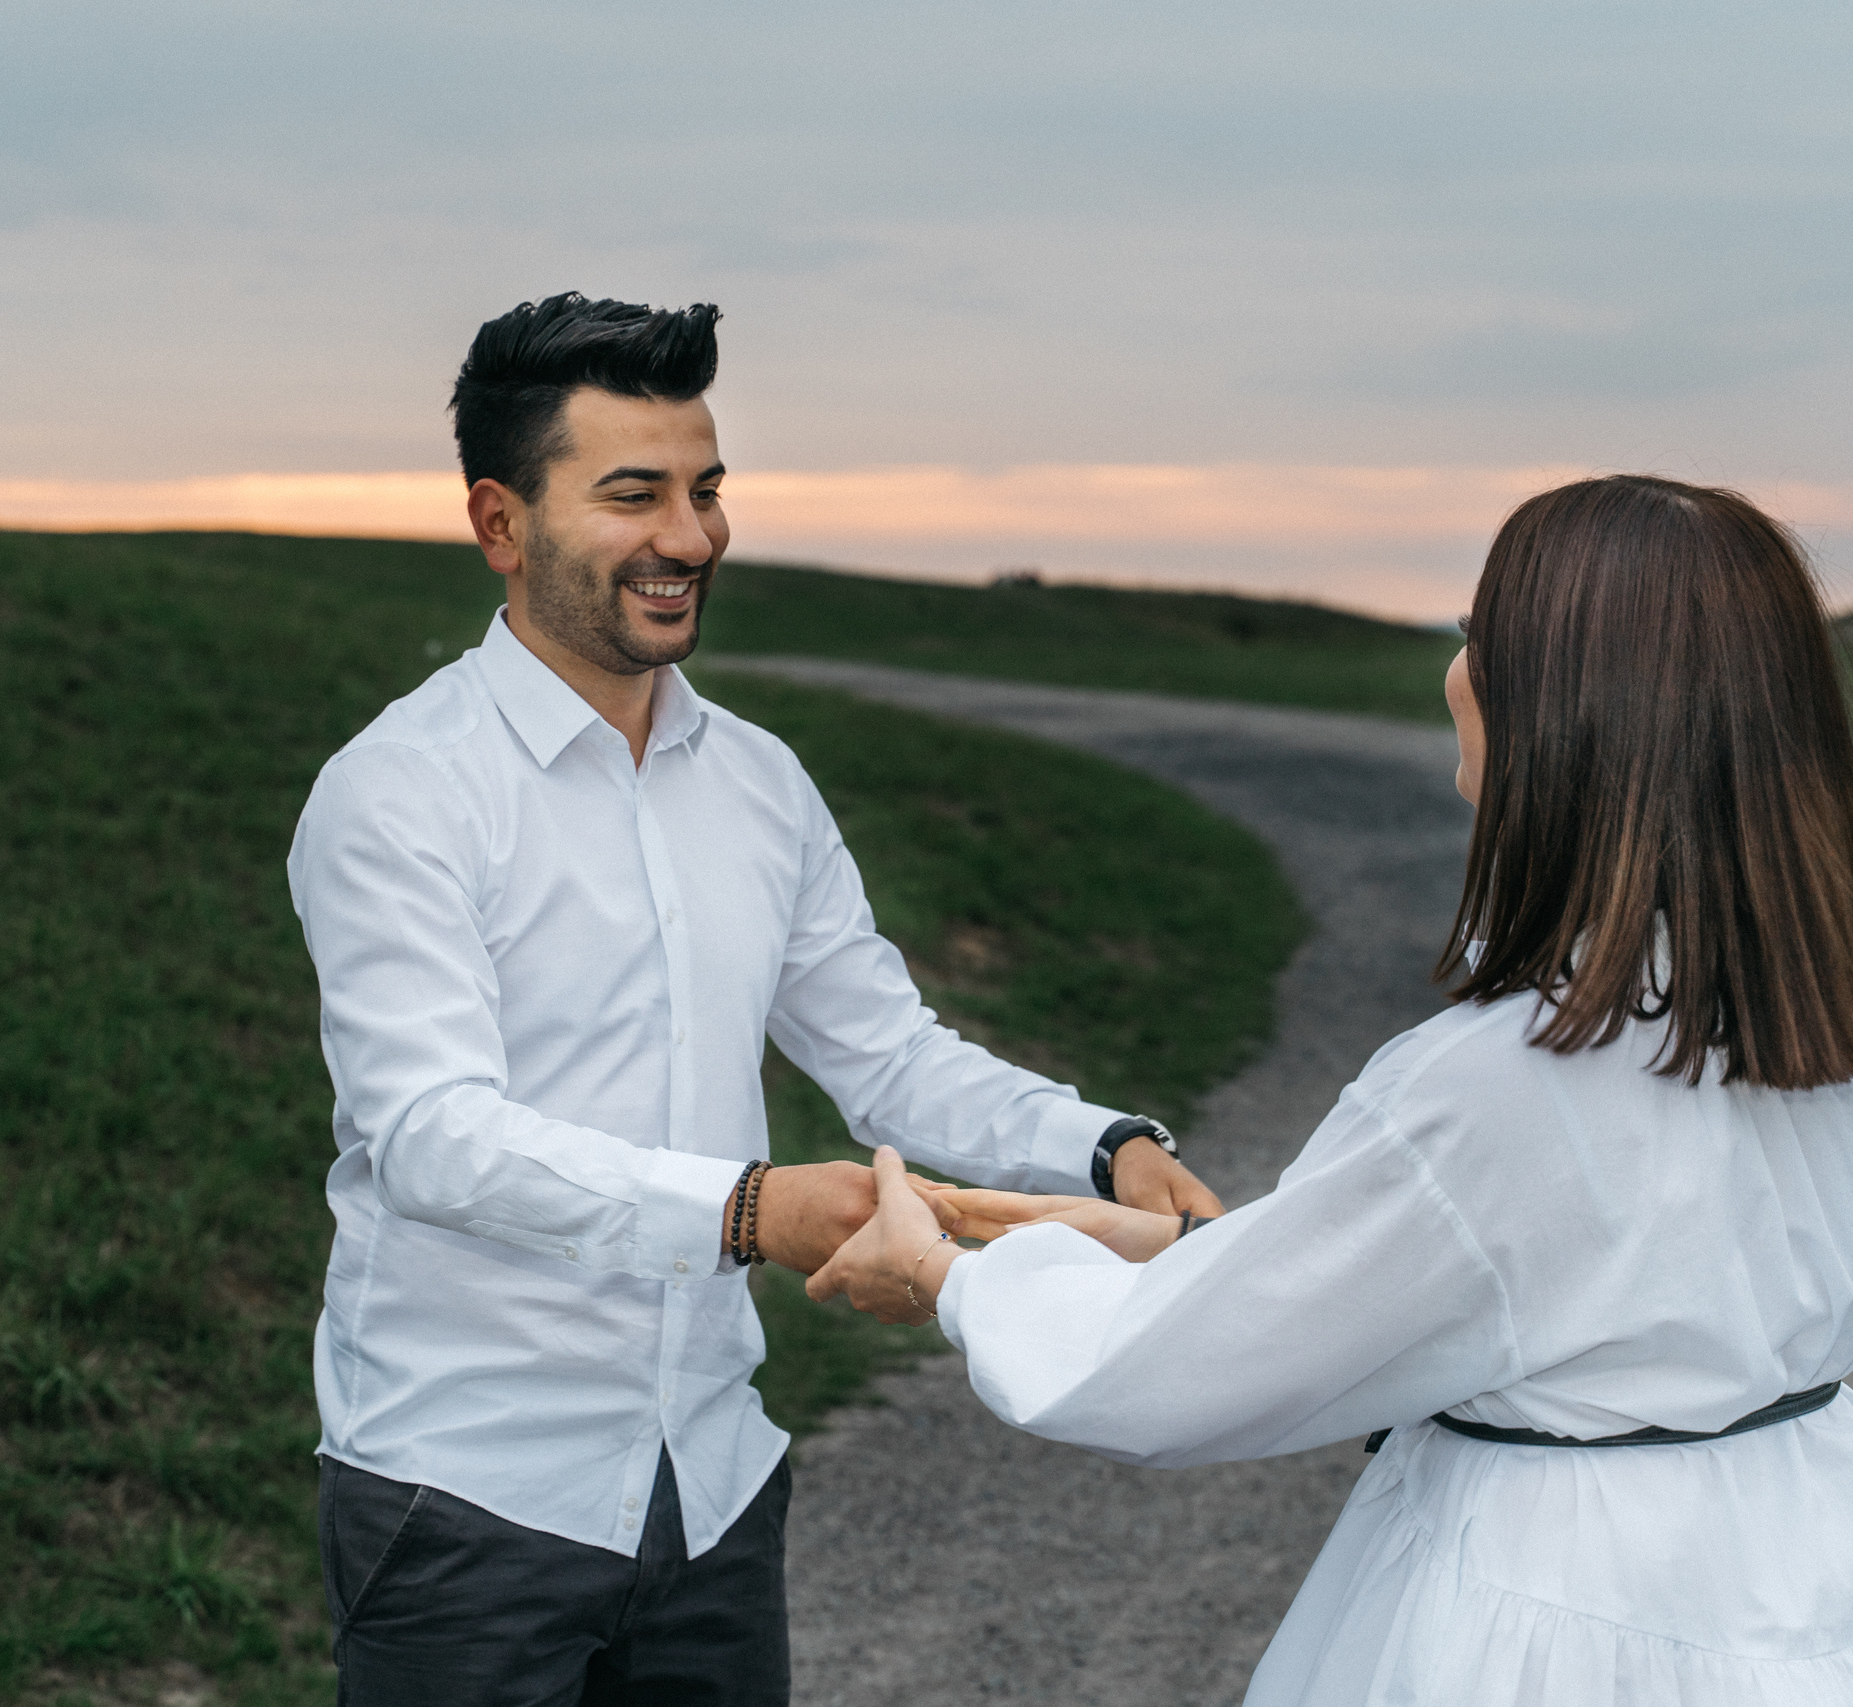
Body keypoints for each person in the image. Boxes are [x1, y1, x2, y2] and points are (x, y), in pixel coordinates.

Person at [814, 475, 1853, 1705]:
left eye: (1473, 637)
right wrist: (1177, 1247)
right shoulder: (1806, 1013)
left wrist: (950, 1276)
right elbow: (1573, 1292)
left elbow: (1166, 1381)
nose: (1454, 672)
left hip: (1563, 1617)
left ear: (1562, 708)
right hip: (1819, 1569)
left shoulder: (1502, 1079)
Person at [286, 292, 1223, 1705]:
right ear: (501, 523)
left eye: (707, 490)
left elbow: (891, 1054)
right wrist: (746, 1209)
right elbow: (432, 1136)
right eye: (633, 493)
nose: (690, 535)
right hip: (465, 1499)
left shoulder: (761, 783)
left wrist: (1104, 1147)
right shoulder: (399, 791)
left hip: (711, 1490)